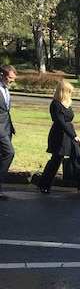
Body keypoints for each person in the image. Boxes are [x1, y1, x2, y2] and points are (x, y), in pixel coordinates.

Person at [37, 80, 80, 195]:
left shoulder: (67, 104)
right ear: (63, 92)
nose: (70, 94)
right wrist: (74, 135)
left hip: (70, 133)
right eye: (69, 92)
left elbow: (69, 121)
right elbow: (60, 122)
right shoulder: (55, 104)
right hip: (59, 135)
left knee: (78, 158)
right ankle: (44, 184)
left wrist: (73, 135)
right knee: (56, 160)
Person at [0, 65, 17, 200]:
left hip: (6, 127)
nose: (12, 81)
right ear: (1, 75)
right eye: (10, 78)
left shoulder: (5, 89)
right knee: (9, 153)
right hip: (0, 130)